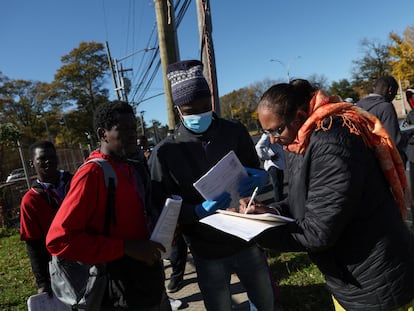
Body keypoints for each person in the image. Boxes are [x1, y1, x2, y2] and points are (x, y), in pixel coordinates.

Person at [241, 79, 414, 311]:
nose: (272, 140)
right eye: (266, 132)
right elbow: (302, 200)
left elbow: (317, 233)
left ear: (301, 116)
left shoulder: (331, 142)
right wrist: (267, 211)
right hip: (350, 277)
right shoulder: (300, 140)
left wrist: (256, 231)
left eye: (277, 130)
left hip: (376, 281)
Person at [149, 59, 274, 311]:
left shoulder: (234, 131)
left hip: (245, 239)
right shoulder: (166, 152)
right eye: (190, 110)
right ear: (177, 110)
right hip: (206, 250)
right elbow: (161, 208)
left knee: (264, 303)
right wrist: (195, 211)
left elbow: (255, 171)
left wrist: (260, 179)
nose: (199, 114)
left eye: (205, 106)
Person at [46, 101, 171, 311]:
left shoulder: (130, 167)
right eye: (123, 129)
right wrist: (124, 248)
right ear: (103, 134)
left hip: (147, 280)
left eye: (134, 128)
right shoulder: (91, 174)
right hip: (119, 288)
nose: (132, 135)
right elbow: (59, 240)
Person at [20, 140, 73, 295]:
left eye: (51, 156)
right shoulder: (31, 201)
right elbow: (33, 245)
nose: (48, 161)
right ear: (32, 163)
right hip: (61, 266)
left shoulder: (76, 183)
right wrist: (43, 282)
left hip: (92, 255)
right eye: (42, 158)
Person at [356, 75, 407, 163]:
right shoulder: (386, 107)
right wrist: (407, 136)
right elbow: (394, 141)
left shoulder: (358, 106)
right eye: (395, 93)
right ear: (390, 90)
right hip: (383, 164)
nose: (394, 97)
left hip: (364, 161)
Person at [255, 133, 285, 202]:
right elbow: (258, 147)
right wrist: (268, 157)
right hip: (273, 165)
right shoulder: (268, 134)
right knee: (277, 187)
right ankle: (278, 205)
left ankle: (280, 203)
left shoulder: (275, 132)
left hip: (279, 164)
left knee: (280, 187)